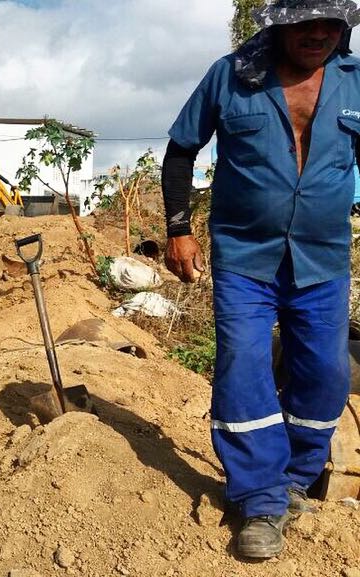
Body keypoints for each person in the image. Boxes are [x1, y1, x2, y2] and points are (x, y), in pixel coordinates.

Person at [162, 0, 360, 559]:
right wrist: (179, 228)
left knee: (325, 374)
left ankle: (296, 476)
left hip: (322, 259)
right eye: (305, 22)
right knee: (244, 368)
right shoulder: (230, 76)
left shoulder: (355, 82)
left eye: (331, 23)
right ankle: (261, 499)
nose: (318, 33)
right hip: (245, 258)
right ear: (278, 23)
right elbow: (180, 152)